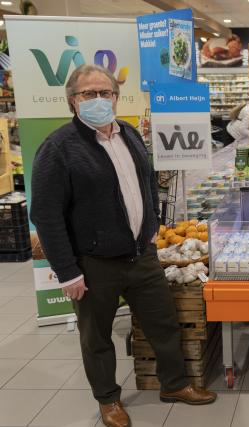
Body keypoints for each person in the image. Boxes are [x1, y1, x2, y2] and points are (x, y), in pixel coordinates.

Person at [30, 64, 217, 427]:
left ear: (116, 97)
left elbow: (146, 183)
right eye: (89, 94)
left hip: (141, 255)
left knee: (162, 322)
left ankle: (175, 384)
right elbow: (46, 215)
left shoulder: (128, 133)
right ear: (73, 101)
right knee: (96, 336)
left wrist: (150, 229)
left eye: (106, 93)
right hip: (94, 261)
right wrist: (68, 272)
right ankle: (108, 400)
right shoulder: (58, 148)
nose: (99, 99)